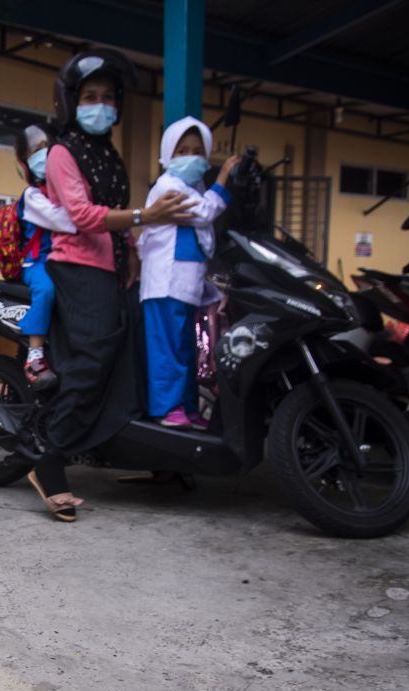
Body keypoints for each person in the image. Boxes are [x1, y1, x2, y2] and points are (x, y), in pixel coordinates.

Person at [25, 49, 196, 522]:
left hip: (113, 269)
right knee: (92, 362)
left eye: (107, 97)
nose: (100, 105)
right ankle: (50, 462)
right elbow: (81, 217)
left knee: (131, 358)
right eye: (89, 96)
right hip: (77, 267)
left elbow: (117, 223)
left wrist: (135, 247)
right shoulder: (62, 152)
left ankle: (144, 455)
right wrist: (146, 215)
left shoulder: (107, 154)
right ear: (71, 102)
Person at [137, 117, 239, 430]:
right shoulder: (169, 187)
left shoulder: (193, 188)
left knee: (185, 350)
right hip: (164, 284)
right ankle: (168, 408)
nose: (190, 157)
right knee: (167, 350)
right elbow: (206, 211)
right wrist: (224, 176)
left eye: (197, 151)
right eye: (181, 151)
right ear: (168, 153)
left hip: (185, 285)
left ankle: (188, 408)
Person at [13, 123, 78, 391]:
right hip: (37, 263)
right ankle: (35, 356)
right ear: (26, 163)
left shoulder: (61, 191)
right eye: (36, 151)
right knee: (47, 290)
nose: (45, 154)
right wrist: (89, 215)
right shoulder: (32, 195)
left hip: (62, 261)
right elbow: (64, 220)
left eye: (47, 147)